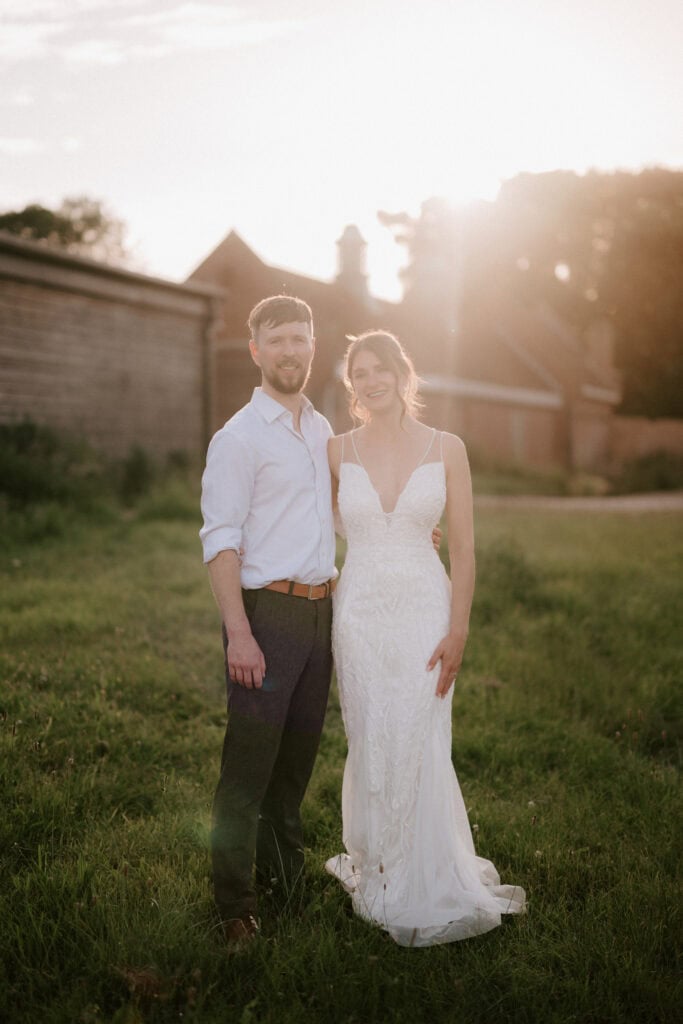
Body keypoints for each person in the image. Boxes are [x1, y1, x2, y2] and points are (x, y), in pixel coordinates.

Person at [325, 330, 526, 947]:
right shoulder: (334, 451)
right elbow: (321, 528)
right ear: (351, 385)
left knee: (419, 732)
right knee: (371, 734)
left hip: (424, 612)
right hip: (357, 613)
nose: (370, 380)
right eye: (358, 373)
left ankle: (427, 871)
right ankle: (381, 863)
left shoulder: (448, 448)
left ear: (402, 374)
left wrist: (459, 628)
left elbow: (463, 547)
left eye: (379, 368)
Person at [199, 295, 337, 945]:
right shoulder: (238, 438)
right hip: (268, 616)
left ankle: (286, 884)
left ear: (314, 346)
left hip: (320, 614)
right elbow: (220, 541)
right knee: (247, 771)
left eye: (300, 339)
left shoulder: (321, 429)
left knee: (295, 767)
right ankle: (235, 908)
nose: (290, 351)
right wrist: (241, 634)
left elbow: (341, 513)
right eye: (277, 340)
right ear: (255, 351)